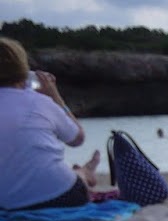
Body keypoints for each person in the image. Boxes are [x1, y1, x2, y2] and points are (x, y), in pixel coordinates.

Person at [0, 38, 102, 210]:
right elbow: (77, 139)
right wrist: (55, 97)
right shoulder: (40, 102)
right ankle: (85, 173)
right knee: (73, 177)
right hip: (60, 196)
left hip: (4, 203)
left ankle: (82, 173)